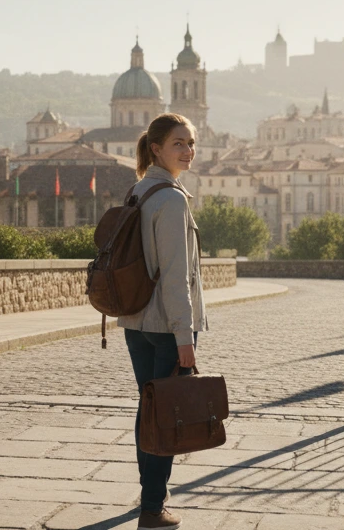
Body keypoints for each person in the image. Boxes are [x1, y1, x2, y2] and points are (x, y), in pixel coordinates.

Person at [118, 113, 207, 530]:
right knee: (166, 417)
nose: (187, 151)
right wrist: (185, 337)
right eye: (178, 143)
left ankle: (148, 494)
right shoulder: (170, 199)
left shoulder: (139, 189)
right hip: (165, 326)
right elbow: (176, 277)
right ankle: (153, 509)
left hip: (136, 321)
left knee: (148, 410)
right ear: (156, 148)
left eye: (190, 143)